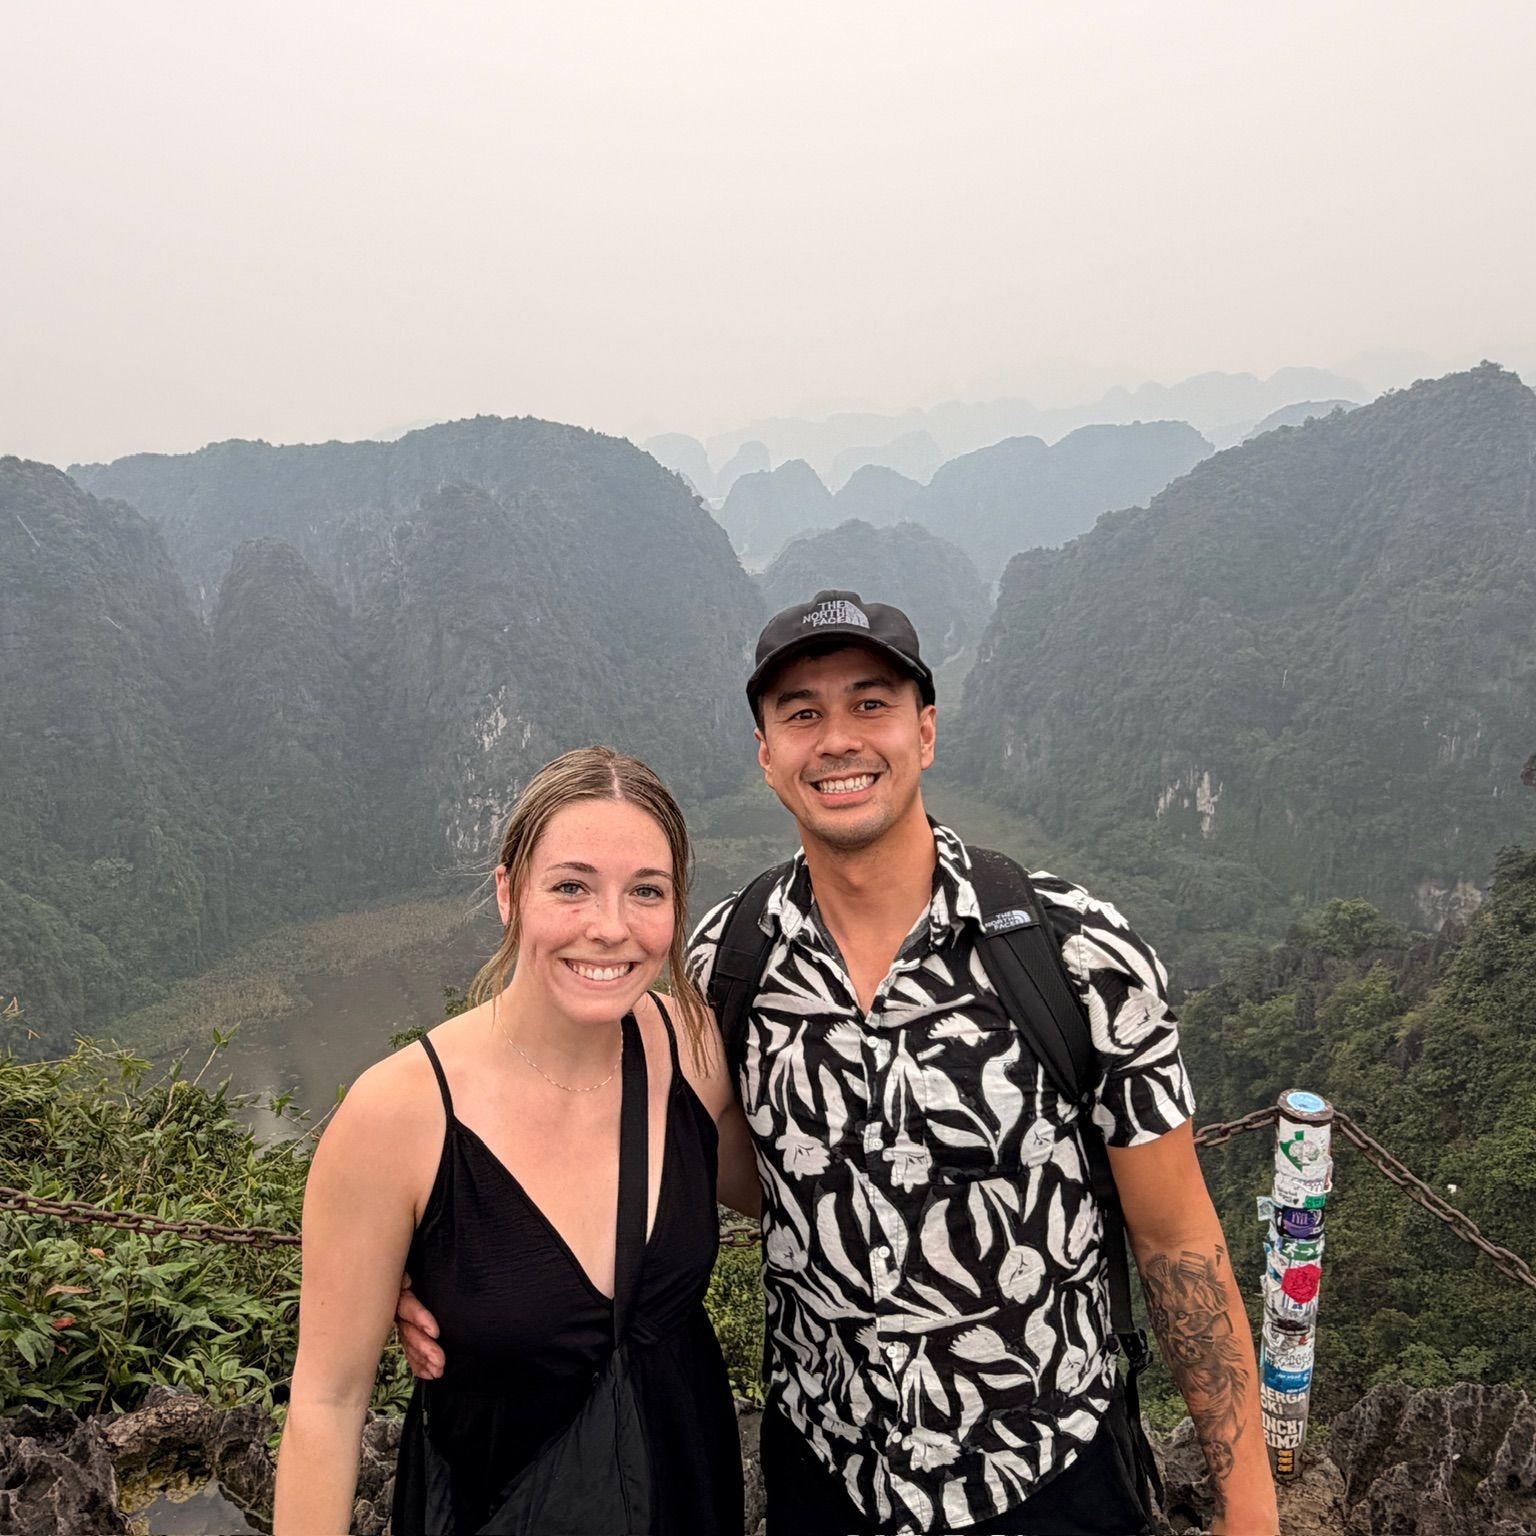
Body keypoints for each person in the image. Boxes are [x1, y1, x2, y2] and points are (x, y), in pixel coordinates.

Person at [401, 592, 1280, 1536]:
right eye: (802, 713)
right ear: (766, 753)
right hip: (827, 1476)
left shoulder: (1073, 953)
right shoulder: (726, 966)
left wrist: (1251, 1507)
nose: (838, 741)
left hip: (1048, 1473)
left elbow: (1177, 1240)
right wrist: (440, 1263)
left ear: (925, 731)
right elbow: (606, 1123)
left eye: (871, 704)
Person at [275, 746, 757, 1535]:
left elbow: (804, 1192)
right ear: (509, 892)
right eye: (571, 887)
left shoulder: (693, 1053)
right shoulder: (400, 1116)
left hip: (685, 1491)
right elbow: (327, 1404)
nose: (610, 928)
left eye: (646, 891)